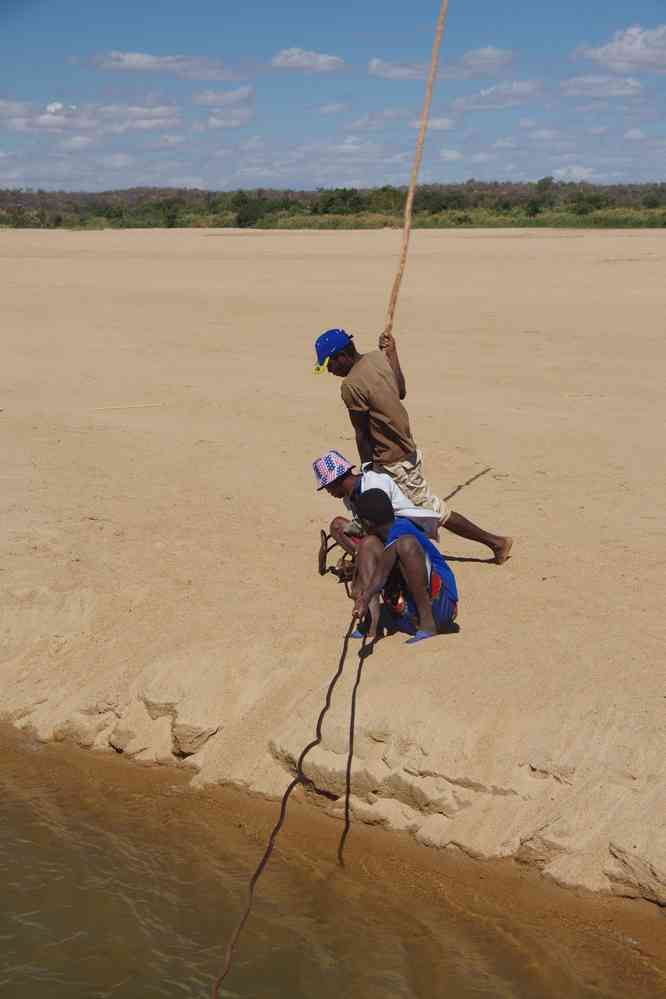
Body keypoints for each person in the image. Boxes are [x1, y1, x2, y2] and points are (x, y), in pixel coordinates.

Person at [314, 327, 513, 564]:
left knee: (432, 510)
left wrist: (367, 470)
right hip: (402, 451)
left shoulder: (351, 386)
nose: (329, 370)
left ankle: (495, 542)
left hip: (393, 459)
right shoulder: (377, 358)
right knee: (389, 511)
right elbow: (401, 391)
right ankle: (383, 553)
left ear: (342, 356)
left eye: (329, 364)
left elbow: (362, 432)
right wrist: (393, 355)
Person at [351, 489, 459, 645]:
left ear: (366, 523)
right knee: (367, 545)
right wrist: (364, 597)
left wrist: (365, 595)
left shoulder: (402, 529)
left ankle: (428, 624)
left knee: (406, 544)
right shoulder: (383, 535)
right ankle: (372, 622)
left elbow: (382, 571)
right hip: (406, 615)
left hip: (441, 608)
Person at [312, 448, 440, 557]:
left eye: (327, 487)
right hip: (388, 535)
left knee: (338, 526)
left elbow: (383, 525)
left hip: (404, 536)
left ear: (336, 480)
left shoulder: (374, 483)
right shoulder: (350, 497)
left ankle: (370, 564)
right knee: (339, 527)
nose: (328, 492)